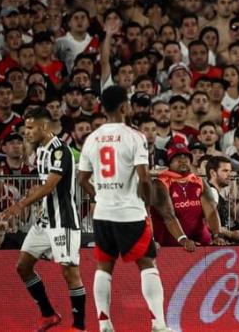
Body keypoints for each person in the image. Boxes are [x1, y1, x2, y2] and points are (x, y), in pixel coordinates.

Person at [77, 86, 175, 332]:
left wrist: (98, 196)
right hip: (130, 212)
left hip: (102, 214)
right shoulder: (134, 136)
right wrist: (146, 201)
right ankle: (159, 324)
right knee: (147, 264)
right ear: (123, 107)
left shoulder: (93, 138)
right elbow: (143, 178)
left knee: (104, 267)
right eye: (128, 104)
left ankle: (104, 324)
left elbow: (81, 179)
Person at [1, 107, 85, 332]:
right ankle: (48, 314)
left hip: (63, 221)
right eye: (25, 128)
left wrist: (19, 205)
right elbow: (42, 184)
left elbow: (50, 186)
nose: (26, 132)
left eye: (30, 128)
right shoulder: (40, 151)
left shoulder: (60, 151)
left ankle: (79, 326)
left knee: (70, 273)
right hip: (44, 221)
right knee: (23, 266)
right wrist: (32, 199)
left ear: (44, 127)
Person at [150, 142, 221, 246]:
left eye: (186, 157)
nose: (183, 159)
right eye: (177, 157)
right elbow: (168, 216)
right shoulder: (160, 183)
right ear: (169, 162)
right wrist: (183, 239)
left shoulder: (199, 181)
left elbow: (211, 211)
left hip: (200, 241)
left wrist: (217, 235)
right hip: (172, 244)